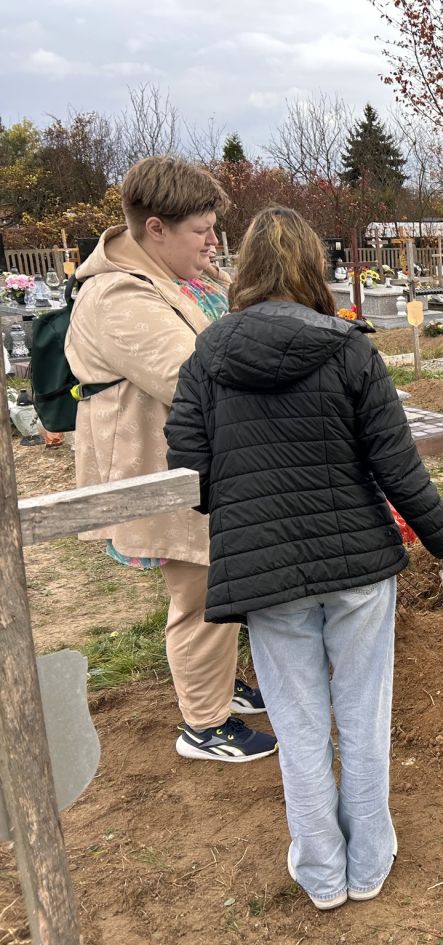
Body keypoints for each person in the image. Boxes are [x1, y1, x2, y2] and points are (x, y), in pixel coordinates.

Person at [166, 206, 443, 910]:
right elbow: (398, 468)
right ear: (313, 266)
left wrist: (250, 504)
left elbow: (191, 470)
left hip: (266, 570)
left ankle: (323, 874)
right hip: (357, 563)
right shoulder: (350, 349)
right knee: (363, 717)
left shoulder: (208, 354)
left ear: (244, 268)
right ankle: (368, 862)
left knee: (299, 726)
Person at [64, 156, 276, 763]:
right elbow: (195, 378)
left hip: (195, 461)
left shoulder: (172, 277)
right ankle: (204, 724)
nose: (212, 243)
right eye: (200, 231)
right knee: (202, 591)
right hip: (158, 466)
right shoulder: (119, 297)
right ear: (155, 228)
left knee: (218, 579)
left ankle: (215, 686)